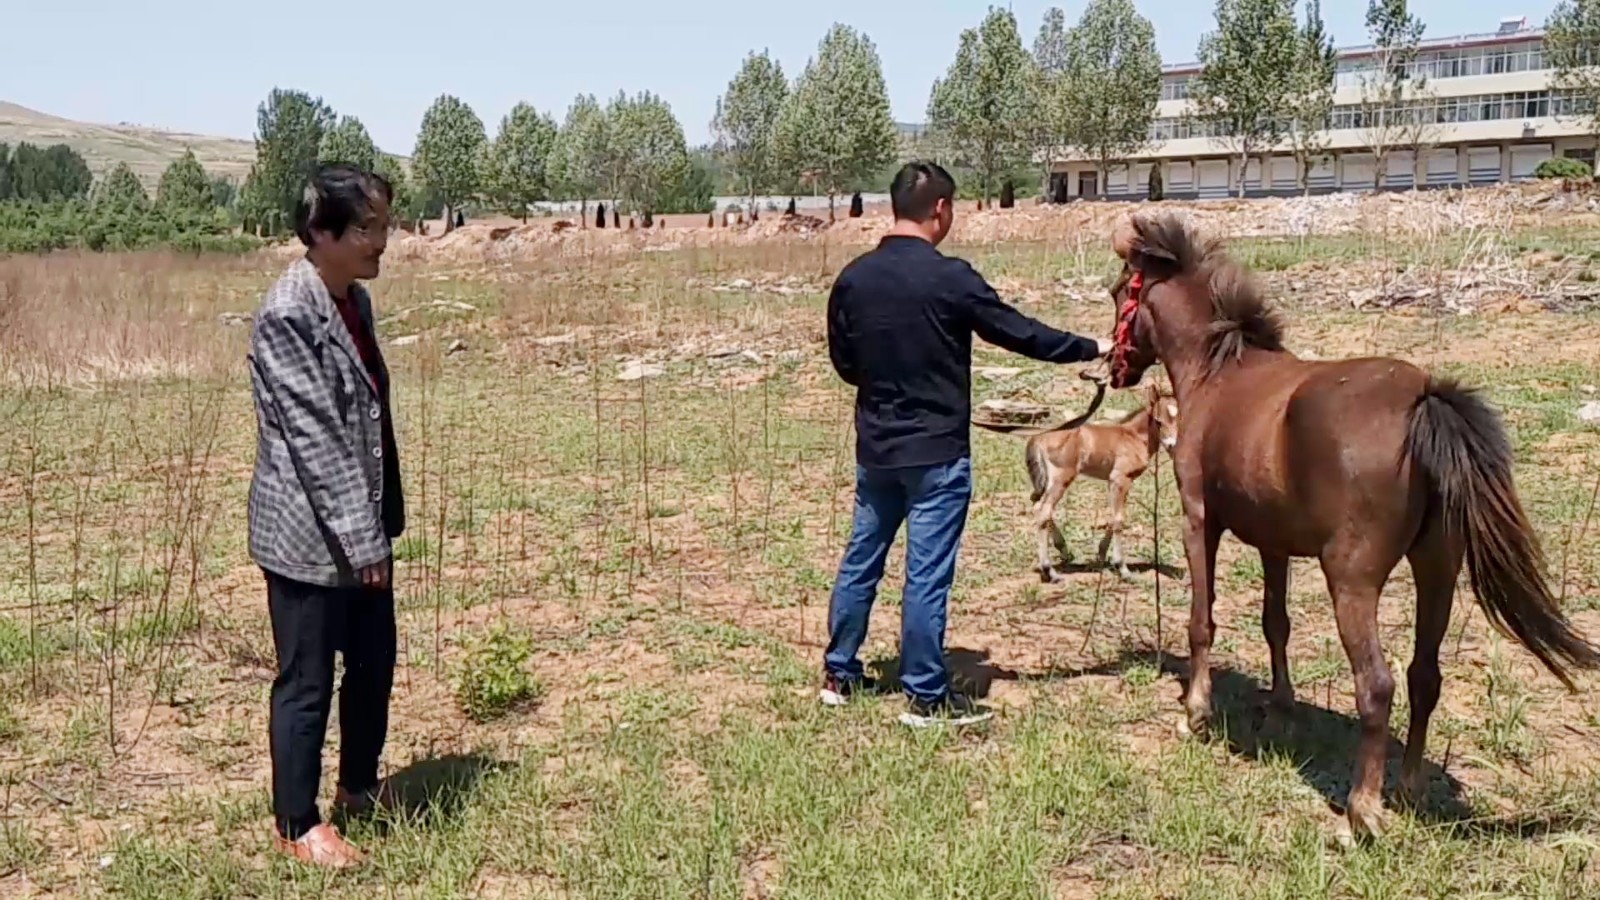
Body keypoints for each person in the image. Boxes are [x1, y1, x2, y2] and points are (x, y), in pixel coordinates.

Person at [821, 161, 1110, 728]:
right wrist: (1090, 346)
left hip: (877, 451)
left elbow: (845, 364)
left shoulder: (853, 279)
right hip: (937, 456)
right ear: (941, 210)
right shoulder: (951, 278)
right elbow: (1019, 331)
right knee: (926, 574)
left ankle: (839, 673)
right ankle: (926, 698)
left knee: (862, 560)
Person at [246, 164, 405, 867]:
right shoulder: (289, 312)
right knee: (307, 680)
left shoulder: (354, 301)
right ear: (321, 233)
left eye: (384, 226)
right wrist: (365, 538)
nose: (382, 243)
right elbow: (316, 439)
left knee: (372, 663)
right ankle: (297, 824)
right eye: (367, 229)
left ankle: (359, 791)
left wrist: (377, 525)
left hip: (359, 527)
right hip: (308, 536)